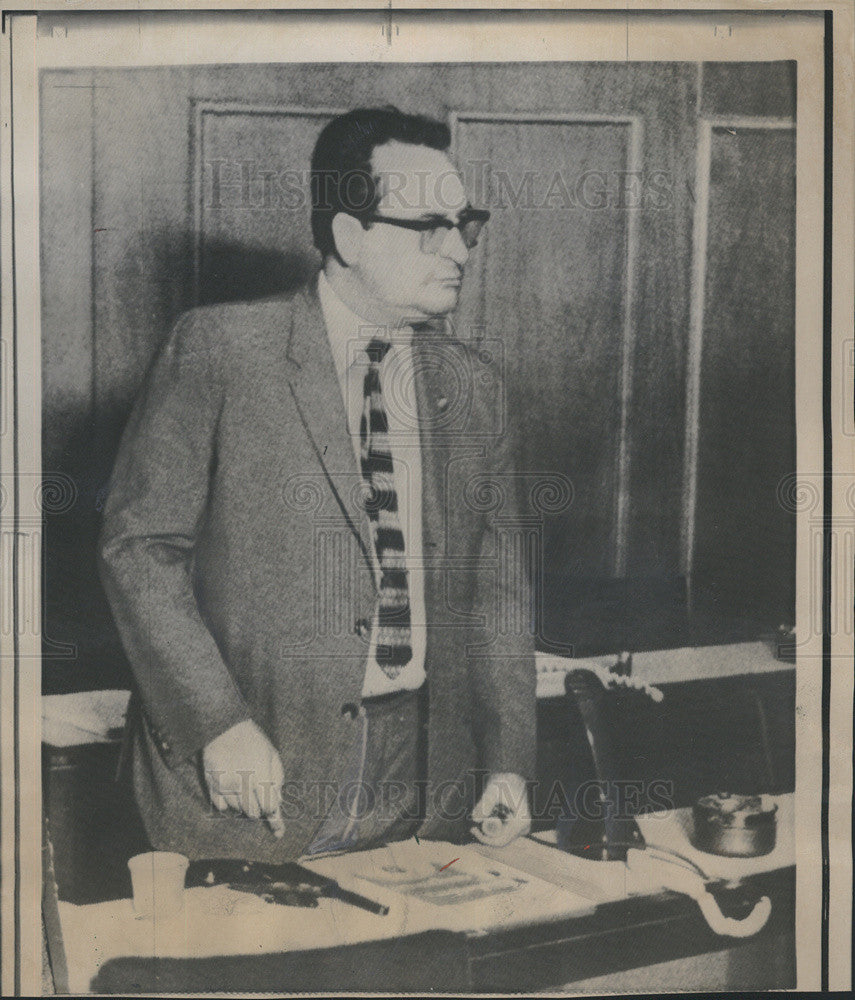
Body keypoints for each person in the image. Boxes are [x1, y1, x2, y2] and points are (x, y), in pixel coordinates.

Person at [98, 106, 536, 863]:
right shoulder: (220, 349)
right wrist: (215, 723)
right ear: (346, 236)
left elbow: (495, 590)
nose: (458, 249)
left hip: (421, 782)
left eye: (464, 223)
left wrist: (507, 757)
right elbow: (140, 551)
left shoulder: (473, 388)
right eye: (428, 224)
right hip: (245, 777)